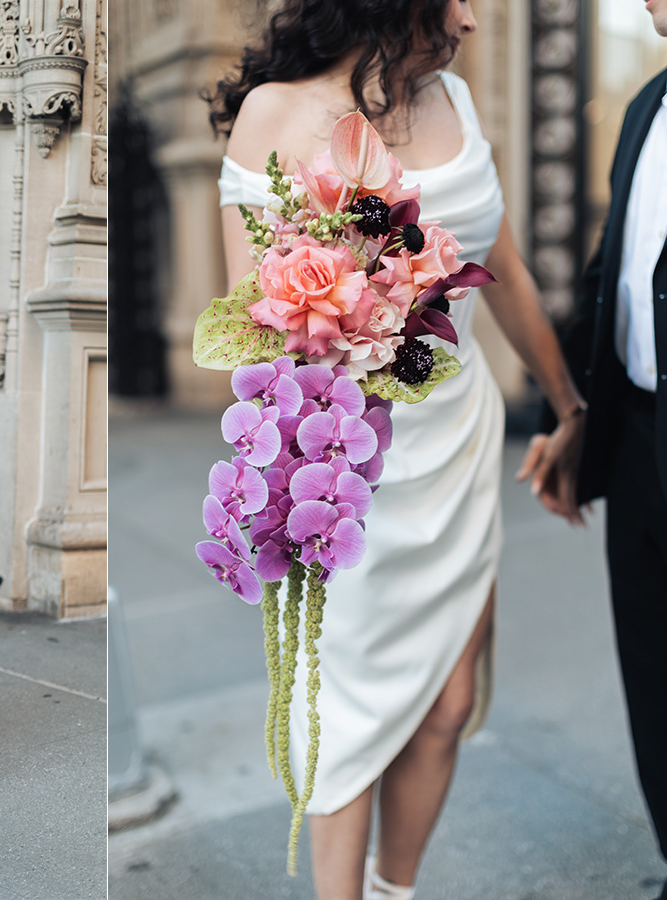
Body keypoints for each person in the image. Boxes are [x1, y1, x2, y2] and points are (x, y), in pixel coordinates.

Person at [209, 2, 585, 897]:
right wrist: (349, 311)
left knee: (452, 704)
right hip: (347, 464)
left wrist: (569, 405)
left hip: (458, 442)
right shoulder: (273, 113)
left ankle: (394, 890)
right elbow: (246, 330)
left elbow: (506, 271)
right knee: (350, 713)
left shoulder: (455, 97)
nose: (472, 19)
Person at [524, 2, 667, 896]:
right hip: (636, 444)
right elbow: (613, 278)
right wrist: (572, 417)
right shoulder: (645, 107)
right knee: (662, 690)